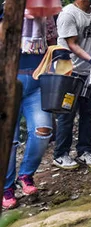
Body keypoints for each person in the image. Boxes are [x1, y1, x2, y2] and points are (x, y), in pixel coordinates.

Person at [53, 0, 91, 171]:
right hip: (68, 70)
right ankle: (61, 154)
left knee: (88, 111)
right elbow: (72, 44)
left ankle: (85, 150)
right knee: (66, 113)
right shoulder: (68, 14)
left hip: (90, 71)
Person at [2, 16, 54, 209]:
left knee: (43, 130)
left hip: (37, 82)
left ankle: (26, 174)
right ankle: (6, 188)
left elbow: (52, 43)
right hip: (8, 84)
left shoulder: (46, 16)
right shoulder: (7, 12)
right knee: (9, 141)